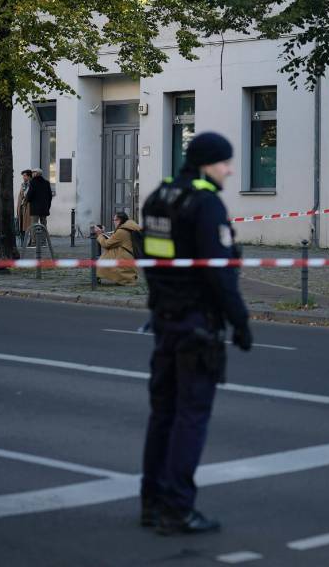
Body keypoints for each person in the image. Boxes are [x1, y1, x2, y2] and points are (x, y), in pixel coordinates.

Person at [139, 131, 252, 536]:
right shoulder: (205, 205)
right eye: (225, 162)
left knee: (163, 414)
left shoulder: (160, 197)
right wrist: (239, 321)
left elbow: (149, 260)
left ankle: (151, 502)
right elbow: (219, 272)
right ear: (208, 163)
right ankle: (178, 509)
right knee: (191, 417)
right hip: (197, 325)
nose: (230, 169)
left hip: (165, 319)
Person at [93, 211, 142, 286]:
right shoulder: (130, 227)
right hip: (131, 256)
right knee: (112, 250)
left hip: (125, 257)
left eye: (114, 220)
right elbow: (116, 239)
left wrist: (99, 234)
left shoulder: (122, 231)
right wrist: (103, 233)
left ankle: (99, 273)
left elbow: (106, 244)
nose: (114, 222)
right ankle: (125, 277)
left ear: (119, 220)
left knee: (109, 252)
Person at [17, 170, 32, 243]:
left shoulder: (32, 184)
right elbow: (20, 195)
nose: (23, 177)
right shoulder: (23, 185)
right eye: (23, 176)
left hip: (29, 207)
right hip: (22, 206)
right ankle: (23, 240)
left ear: (29, 176)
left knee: (29, 224)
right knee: (22, 223)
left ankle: (31, 240)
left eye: (25, 175)